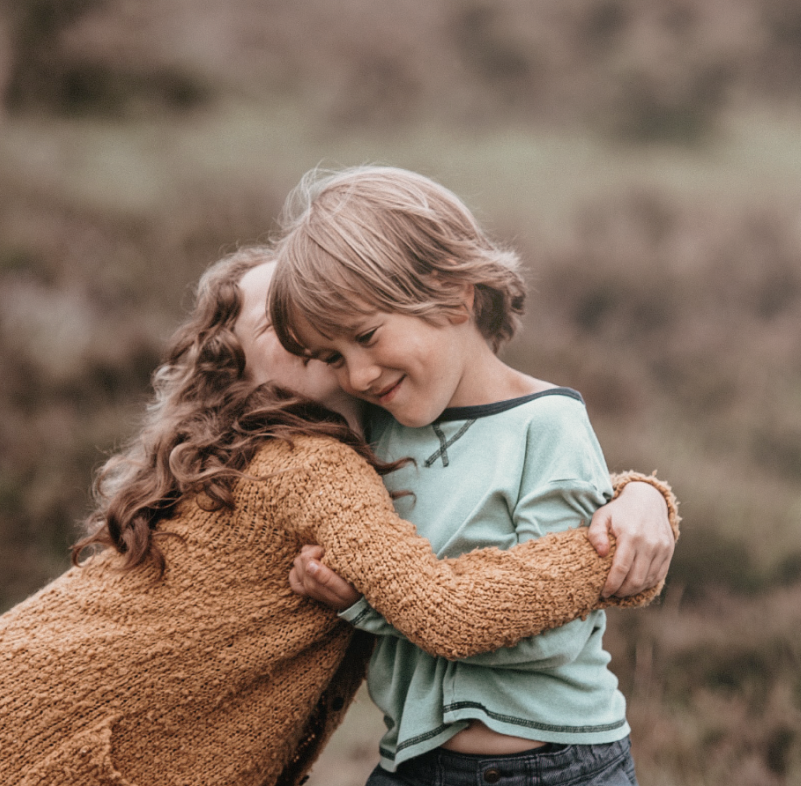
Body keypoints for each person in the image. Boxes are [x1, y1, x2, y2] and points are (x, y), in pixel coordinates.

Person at [0, 247, 678, 786]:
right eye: (281, 322)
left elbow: (487, 473)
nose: (310, 324)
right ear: (240, 365)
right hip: (15, 740)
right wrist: (607, 549)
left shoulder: (372, 432)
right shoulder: (307, 465)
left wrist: (639, 493)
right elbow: (448, 606)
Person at [268, 165, 677, 786]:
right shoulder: (376, 437)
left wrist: (370, 607)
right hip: (410, 761)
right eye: (332, 358)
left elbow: (548, 633)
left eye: (366, 336)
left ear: (456, 294)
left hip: (554, 767)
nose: (356, 375)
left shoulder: (548, 427)